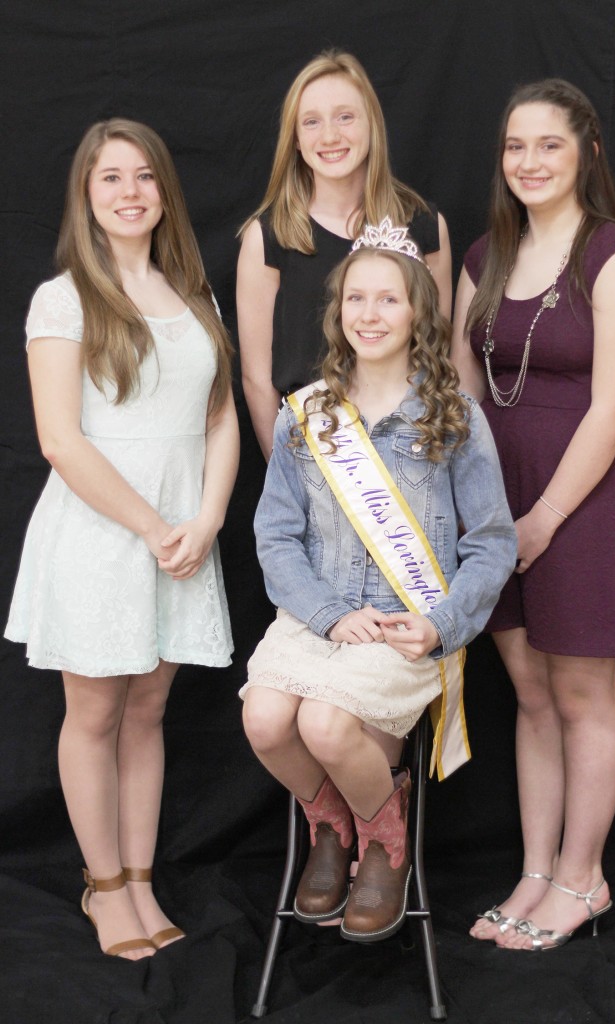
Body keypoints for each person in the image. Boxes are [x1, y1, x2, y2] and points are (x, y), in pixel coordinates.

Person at [240, 222, 517, 943]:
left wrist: (442, 624)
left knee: (326, 725)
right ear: (338, 313)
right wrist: (328, 614)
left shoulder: (455, 418)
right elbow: (275, 536)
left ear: (417, 313)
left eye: (386, 299)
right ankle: (333, 824)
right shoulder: (307, 417)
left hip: (403, 626)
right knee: (266, 720)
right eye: (355, 298)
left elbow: (490, 544)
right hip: (317, 615)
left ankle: (384, 847)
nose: (368, 313)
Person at [4, 119, 239, 959]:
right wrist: (151, 527)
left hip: (184, 532)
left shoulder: (194, 293)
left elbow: (220, 421)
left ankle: (140, 879)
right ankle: (103, 887)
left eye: (144, 176)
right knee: (97, 711)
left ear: (163, 191)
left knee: (149, 710)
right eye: (111, 178)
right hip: (105, 532)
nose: (131, 192)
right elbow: (61, 441)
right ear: (87, 195)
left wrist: (205, 519)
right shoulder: (63, 298)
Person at [451, 79, 615, 951]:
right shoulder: (480, 257)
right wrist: (483, 513)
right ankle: (536, 873)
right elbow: (458, 390)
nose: (527, 162)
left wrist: (540, 521)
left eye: (548, 145)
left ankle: (584, 878)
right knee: (529, 695)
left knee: (580, 694)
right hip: (495, 501)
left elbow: (611, 408)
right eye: (513, 147)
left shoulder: (611, 254)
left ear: (587, 154)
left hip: (581, 499)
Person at [237, 49, 452, 462]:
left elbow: (439, 357)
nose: (330, 136)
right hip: (310, 454)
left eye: (345, 117)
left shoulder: (423, 226)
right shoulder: (268, 237)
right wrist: (284, 473)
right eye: (312, 122)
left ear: (372, 124)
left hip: (408, 454)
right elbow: (256, 379)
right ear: (296, 140)